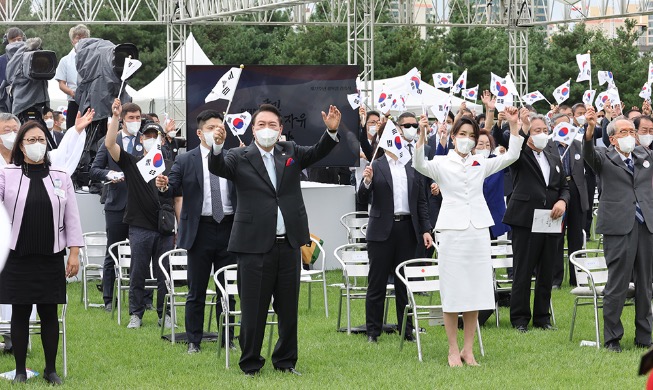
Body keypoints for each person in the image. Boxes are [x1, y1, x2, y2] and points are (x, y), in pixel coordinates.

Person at [208, 103, 341, 376]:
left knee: (288, 309)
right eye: (261, 125)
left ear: (280, 129)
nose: (266, 129)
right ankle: (251, 363)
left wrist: (331, 131)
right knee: (254, 309)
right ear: (252, 129)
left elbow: (318, 151)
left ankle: (285, 361)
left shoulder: (289, 151)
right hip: (253, 246)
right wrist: (217, 146)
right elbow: (218, 166)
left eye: (272, 125)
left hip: (289, 244)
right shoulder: (238, 155)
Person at [413, 108, 524, 366]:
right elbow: (419, 164)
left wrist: (515, 125)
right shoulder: (441, 163)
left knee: (475, 290)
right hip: (452, 232)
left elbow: (514, 155)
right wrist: (421, 136)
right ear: (453, 136)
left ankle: (468, 349)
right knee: (453, 291)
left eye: (471, 135)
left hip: (477, 231)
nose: (467, 139)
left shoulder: (481, 161)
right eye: (462, 134)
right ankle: (452, 349)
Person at [0, 121, 82, 385]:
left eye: (41, 139)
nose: (37, 145)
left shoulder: (60, 175)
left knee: (49, 313)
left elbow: (72, 218)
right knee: (20, 312)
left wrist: (74, 252)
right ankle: (21, 370)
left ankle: (50, 369)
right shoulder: (7, 174)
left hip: (51, 255)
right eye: (31, 140)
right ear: (21, 146)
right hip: (17, 256)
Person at [155, 110, 237, 354]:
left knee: (228, 289)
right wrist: (164, 186)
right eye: (211, 127)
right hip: (200, 230)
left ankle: (228, 337)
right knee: (196, 289)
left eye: (220, 127)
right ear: (200, 132)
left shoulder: (232, 157)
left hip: (230, 228)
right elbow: (172, 186)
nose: (216, 131)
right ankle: (194, 340)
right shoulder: (186, 159)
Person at [104, 98, 178, 329]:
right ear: (141, 139)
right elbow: (109, 145)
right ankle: (135, 313)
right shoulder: (132, 162)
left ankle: (164, 314)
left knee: (163, 273)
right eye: (147, 136)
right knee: (137, 271)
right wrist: (116, 118)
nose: (151, 140)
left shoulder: (172, 165)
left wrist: (165, 187)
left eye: (156, 136)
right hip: (139, 226)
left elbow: (176, 195)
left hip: (164, 227)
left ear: (163, 140)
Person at [357, 120, 433, 344]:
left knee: (404, 283)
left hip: (407, 229)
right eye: (394, 136)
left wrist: (426, 228)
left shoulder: (411, 166)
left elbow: (421, 201)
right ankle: (373, 331)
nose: (398, 140)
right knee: (377, 282)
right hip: (381, 230)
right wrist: (367, 182)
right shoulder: (376, 165)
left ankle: (406, 329)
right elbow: (363, 198)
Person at [583, 112, 653, 352]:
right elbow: (588, 154)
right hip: (618, 227)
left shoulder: (645, 156)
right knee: (618, 284)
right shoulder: (604, 158)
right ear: (612, 139)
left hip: (645, 226)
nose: (630, 136)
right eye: (624, 132)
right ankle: (613, 337)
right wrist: (590, 131)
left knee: (645, 284)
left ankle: (644, 336)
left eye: (632, 132)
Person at [503, 111, 569, 333]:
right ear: (528, 134)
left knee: (547, 269)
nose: (541, 134)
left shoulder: (553, 156)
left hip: (550, 219)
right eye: (536, 130)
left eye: (544, 130)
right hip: (525, 219)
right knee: (523, 269)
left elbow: (564, 186)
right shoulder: (520, 154)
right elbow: (515, 143)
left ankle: (542, 317)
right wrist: (521, 126)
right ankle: (520, 318)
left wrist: (562, 201)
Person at [90, 102, 145, 312]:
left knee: (142, 251)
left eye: (138, 117)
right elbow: (94, 169)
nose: (135, 122)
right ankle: (108, 298)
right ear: (122, 120)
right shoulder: (109, 140)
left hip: (141, 205)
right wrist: (110, 175)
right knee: (113, 251)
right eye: (131, 118)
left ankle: (144, 297)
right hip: (117, 204)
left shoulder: (145, 139)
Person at [549, 112, 589, 288]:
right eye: (561, 125)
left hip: (576, 191)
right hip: (557, 193)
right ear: (553, 127)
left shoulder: (578, 145)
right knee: (556, 237)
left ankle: (577, 278)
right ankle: (555, 279)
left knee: (576, 237)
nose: (566, 128)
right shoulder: (548, 147)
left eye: (568, 124)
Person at [55, 24, 89, 130]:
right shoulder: (65, 60)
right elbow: (61, 84)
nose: (81, 41)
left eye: (84, 38)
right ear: (72, 41)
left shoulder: (94, 57)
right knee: (72, 131)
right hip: (74, 102)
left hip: (90, 101)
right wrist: (72, 93)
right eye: (78, 38)